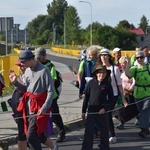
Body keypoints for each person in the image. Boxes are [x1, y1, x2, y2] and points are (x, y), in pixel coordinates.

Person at [9, 50, 58, 150]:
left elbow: (51, 92)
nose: (21, 64)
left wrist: (44, 108)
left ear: (30, 60)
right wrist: (15, 83)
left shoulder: (44, 70)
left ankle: (53, 146)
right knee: (36, 135)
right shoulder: (27, 70)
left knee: (31, 137)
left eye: (23, 62)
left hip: (40, 107)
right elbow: (26, 89)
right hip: (29, 107)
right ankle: (54, 147)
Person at [35, 47, 66, 143]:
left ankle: (61, 133)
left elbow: (52, 82)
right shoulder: (35, 66)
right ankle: (40, 134)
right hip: (39, 96)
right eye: (37, 58)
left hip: (51, 96)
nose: (38, 59)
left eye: (40, 57)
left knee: (55, 115)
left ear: (44, 56)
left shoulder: (51, 66)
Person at [97, 48, 128, 143]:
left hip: (112, 96)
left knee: (107, 113)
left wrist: (123, 99)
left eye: (105, 55)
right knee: (104, 115)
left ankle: (112, 135)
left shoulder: (115, 69)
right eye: (102, 55)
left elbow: (119, 85)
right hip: (101, 95)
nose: (104, 57)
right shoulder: (98, 68)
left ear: (109, 57)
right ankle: (106, 133)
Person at [81, 65, 114, 150]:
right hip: (92, 109)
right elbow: (86, 98)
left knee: (104, 131)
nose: (102, 74)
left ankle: (104, 147)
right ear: (96, 73)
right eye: (100, 72)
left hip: (102, 110)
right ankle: (86, 148)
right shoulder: (91, 83)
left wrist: (105, 109)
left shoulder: (107, 84)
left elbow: (111, 100)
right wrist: (83, 111)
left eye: (104, 73)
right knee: (89, 131)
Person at [125, 51, 150, 138]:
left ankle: (143, 129)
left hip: (148, 92)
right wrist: (127, 63)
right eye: (137, 58)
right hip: (138, 93)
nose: (139, 59)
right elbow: (127, 74)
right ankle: (147, 128)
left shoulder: (148, 67)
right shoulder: (134, 68)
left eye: (141, 57)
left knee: (145, 108)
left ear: (144, 57)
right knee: (141, 111)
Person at [115, 56, 139, 129]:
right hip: (122, 93)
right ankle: (122, 122)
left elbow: (134, 81)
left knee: (132, 108)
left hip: (130, 93)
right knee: (120, 108)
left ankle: (138, 117)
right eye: (121, 63)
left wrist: (131, 89)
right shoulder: (120, 72)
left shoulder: (131, 71)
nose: (122, 65)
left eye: (124, 63)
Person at [9, 61, 27, 150]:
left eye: (22, 66)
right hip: (19, 109)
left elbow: (27, 89)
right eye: (19, 66)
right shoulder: (21, 76)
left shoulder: (31, 76)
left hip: (27, 109)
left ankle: (53, 146)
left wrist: (15, 83)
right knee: (22, 133)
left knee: (36, 135)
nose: (20, 68)